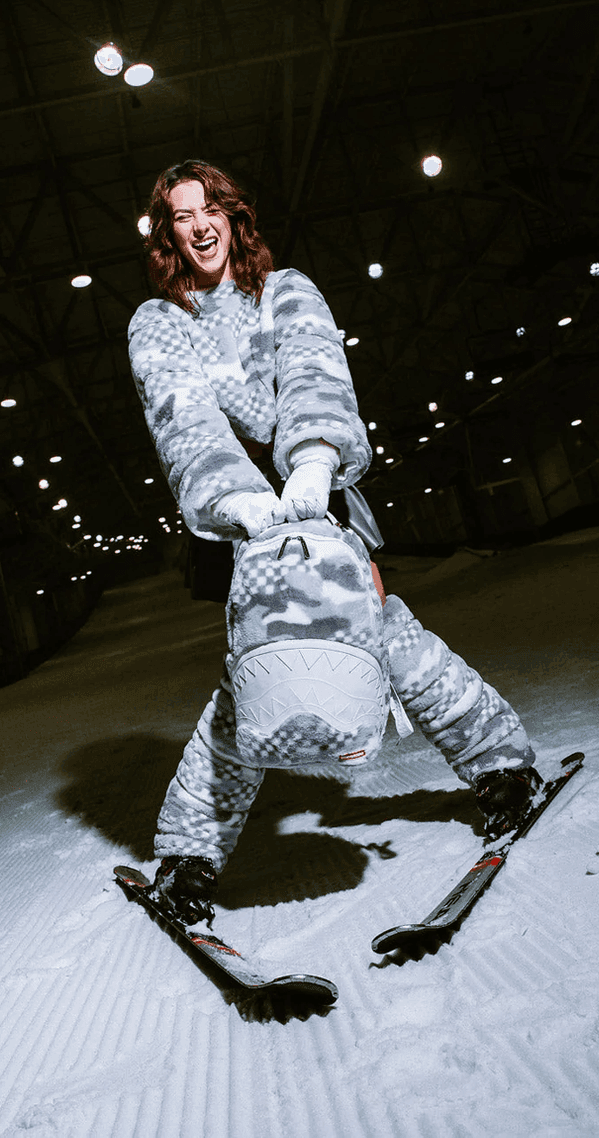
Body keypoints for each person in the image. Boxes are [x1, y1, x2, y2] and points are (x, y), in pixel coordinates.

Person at [127, 160, 541, 926]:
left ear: (234, 216)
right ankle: (191, 854)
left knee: (384, 637)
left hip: (318, 499)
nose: (201, 224)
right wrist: (235, 498)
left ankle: (502, 767)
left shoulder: (285, 290)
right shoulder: (160, 322)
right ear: (169, 235)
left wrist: (314, 459)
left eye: (212, 207)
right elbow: (181, 414)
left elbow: (315, 369)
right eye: (183, 215)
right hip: (246, 521)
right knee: (252, 671)